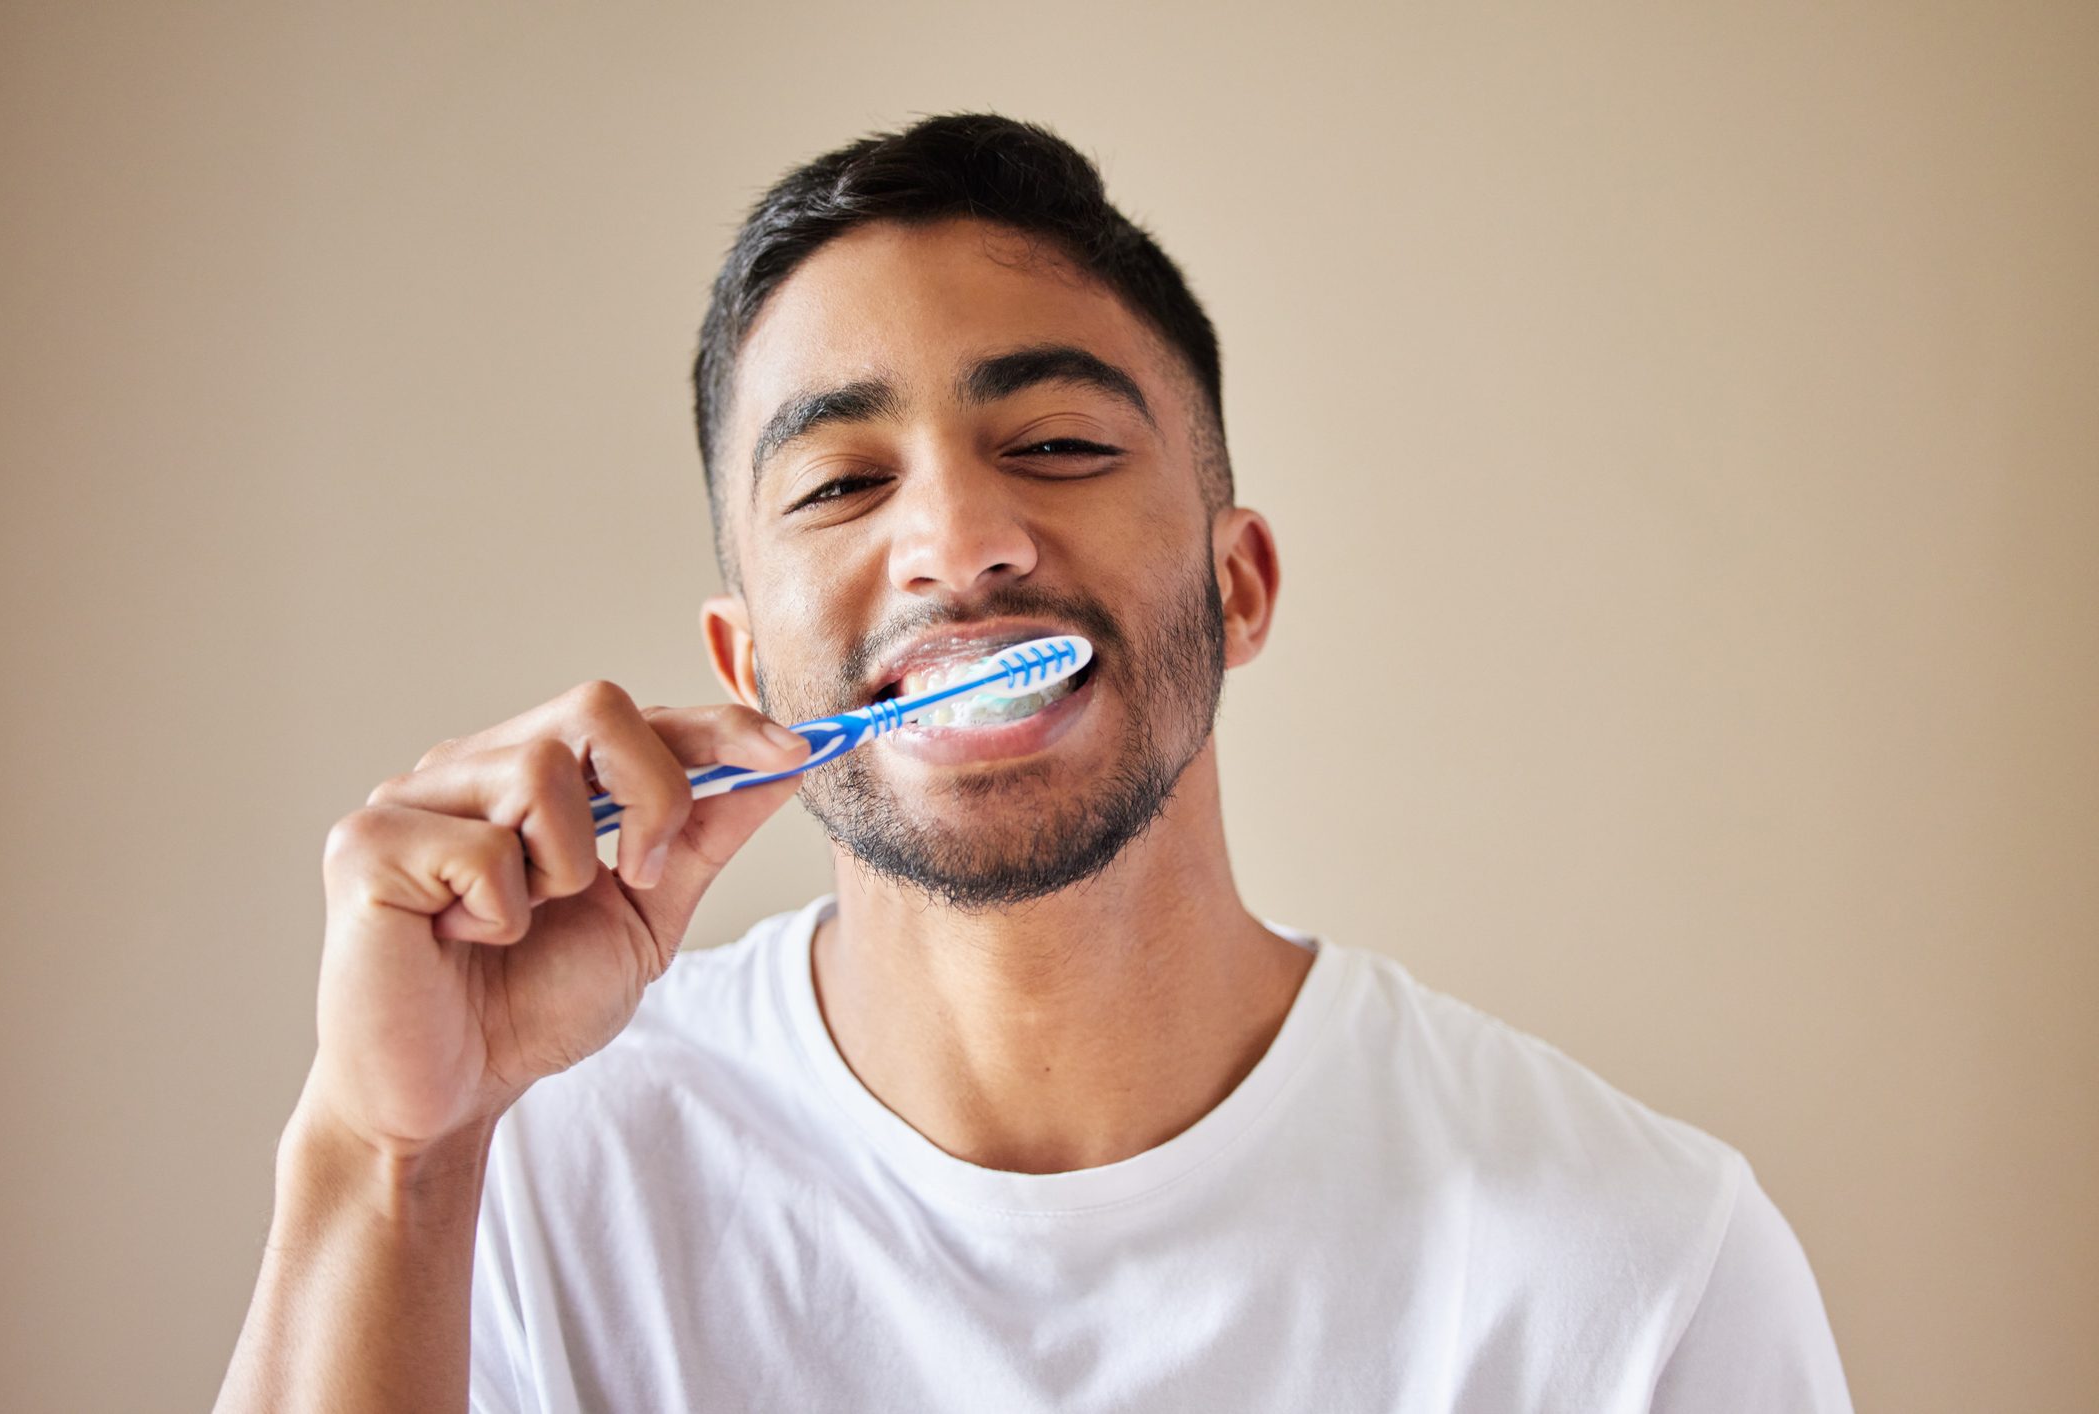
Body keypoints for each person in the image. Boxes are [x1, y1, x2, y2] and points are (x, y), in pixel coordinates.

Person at [215, 113, 1853, 1412]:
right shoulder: (518, 1187)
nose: (957, 542)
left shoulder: (1641, 1271)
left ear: (1239, 583)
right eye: (843, 483)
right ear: (745, 668)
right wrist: (389, 1160)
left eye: (1058, 446)